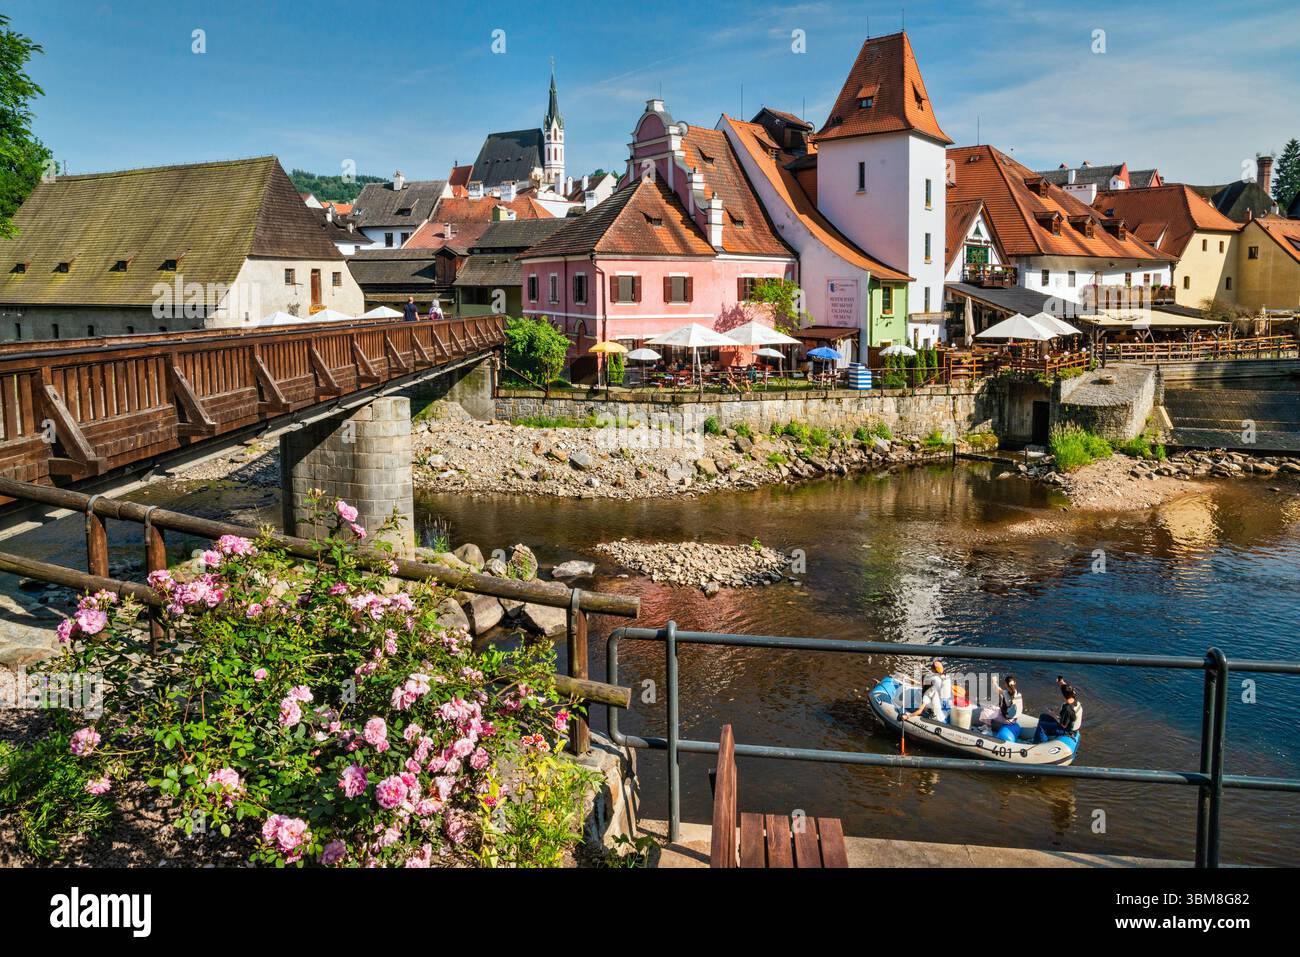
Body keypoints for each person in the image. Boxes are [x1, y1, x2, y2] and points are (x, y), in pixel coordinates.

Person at [1034, 676, 1084, 742]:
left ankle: (1038, 743)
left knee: (1041, 726)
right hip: (1072, 725)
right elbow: (1067, 688)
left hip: (1068, 731)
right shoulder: (1075, 698)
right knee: (1042, 716)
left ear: (1064, 695)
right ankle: (1045, 735)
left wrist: (1053, 714)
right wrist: (1061, 682)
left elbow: (1063, 726)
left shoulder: (1067, 708)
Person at [905, 660, 952, 724]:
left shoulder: (927, 694)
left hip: (936, 718)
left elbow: (919, 711)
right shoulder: (947, 678)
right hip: (942, 713)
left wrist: (907, 716)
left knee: (909, 706)